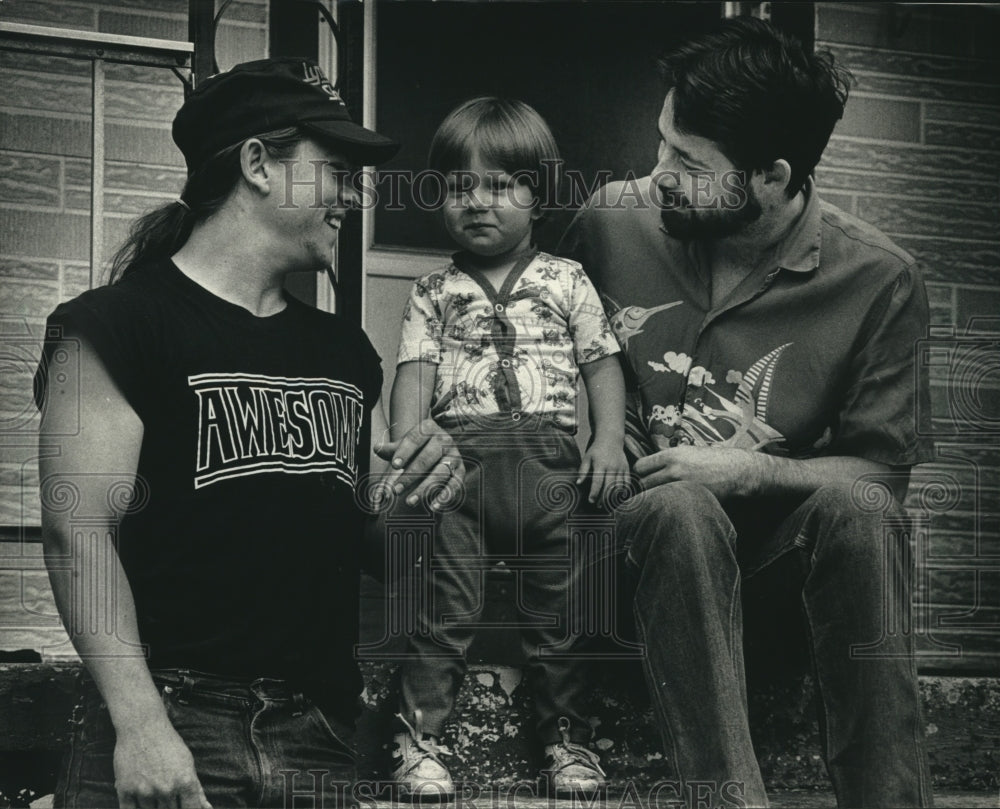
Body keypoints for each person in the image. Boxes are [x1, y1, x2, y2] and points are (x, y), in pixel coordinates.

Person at [34, 57, 464, 809]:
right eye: (335, 169)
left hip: (317, 732)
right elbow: (79, 536)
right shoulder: (112, 327)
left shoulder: (343, 352)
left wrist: (424, 491)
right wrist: (140, 724)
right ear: (258, 165)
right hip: (171, 718)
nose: (351, 196)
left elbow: (383, 551)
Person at [560, 18, 934, 809]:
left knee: (860, 509)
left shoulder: (880, 279)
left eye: (689, 163)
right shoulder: (606, 223)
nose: (656, 174)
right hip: (605, 567)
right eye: (662, 143)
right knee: (680, 507)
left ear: (772, 176)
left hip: (757, 589)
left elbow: (883, 473)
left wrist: (752, 469)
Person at [387, 98, 627, 799]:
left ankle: (567, 742)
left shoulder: (566, 280)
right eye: (460, 188)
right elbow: (413, 378)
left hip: (547, 473)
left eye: (500, 186)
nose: (477, 203)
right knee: (446, 612)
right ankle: (419, 738)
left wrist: (606, 437)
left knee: (559, 614)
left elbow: (601, 363)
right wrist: (409, 450)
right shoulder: (434, 291)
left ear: (537, 194)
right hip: (459, 478)